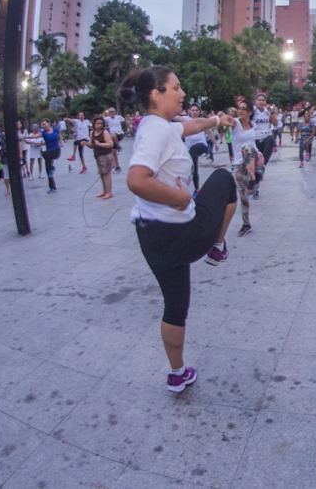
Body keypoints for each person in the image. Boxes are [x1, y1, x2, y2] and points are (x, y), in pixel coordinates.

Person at [120, 65, 238, 393]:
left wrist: (217, 120)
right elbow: (136, 179)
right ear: (157, 94)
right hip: (182, 233)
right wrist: (179, 197)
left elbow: (190, 126)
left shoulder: (159, 125)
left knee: (175, 307)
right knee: (225, 179)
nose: (183, 93)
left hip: (151, 237)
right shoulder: (157, 130)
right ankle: (216, 245)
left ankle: (178, 373)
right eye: (177, 88)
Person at [230, 100, 263, 237]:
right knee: (243, 197)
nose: (241, 111)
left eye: (244, 109)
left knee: (248, 148)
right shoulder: (235, 124)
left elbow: (253, 143)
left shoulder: (253, 125)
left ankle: (254, 179)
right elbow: (228, 121)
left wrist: (260, 157)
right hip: (239, 164)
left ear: (250, 111)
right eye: (239, 108)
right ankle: (246, 224)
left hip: (254, 160)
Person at [251, 94, 276, 199]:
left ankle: (263, 165)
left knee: (271, 140)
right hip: (255, 138)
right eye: (259, 100)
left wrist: (272, 112)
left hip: (266, 136)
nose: (261, 102)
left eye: (263, 100)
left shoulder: (267, 111)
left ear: (265, 102)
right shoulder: (252, 111)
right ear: (255, 101)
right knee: (255, 165)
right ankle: (255, 189)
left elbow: (275, 123)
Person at [29, 119, 64, 193]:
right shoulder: (43, 133)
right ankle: (52, 187)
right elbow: (35, 136)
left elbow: (59, 137)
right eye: (42, 125)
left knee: (44, 154)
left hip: (56, 150)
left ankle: (52, 168)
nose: (44, 126)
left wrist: (61, 143)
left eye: (45, 124)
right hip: (49, 153)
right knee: (48, 169)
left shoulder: (55, 130)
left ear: (49, 123)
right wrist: (24, 137)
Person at [182, 104, 210, 194]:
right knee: (193, 168)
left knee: (194, 150)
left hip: (201, 145)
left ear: (199, 111)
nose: (194, 112)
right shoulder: (186, 119)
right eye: (192, 110)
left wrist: (216, 143)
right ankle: (197, 188)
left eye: (196, 110)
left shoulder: (202, 120)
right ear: (189, 111)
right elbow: (174, 117)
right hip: (189, 148)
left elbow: (208, 131)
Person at [90, 116, 116, 199]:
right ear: (94, 124)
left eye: (101, 123)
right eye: (98, 123)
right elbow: (91, 144)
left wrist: (100, 144)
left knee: (106, 174)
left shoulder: (105, 132)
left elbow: (110, 144)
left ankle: (109, 192)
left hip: (106, 155)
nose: (100, 125)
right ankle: (105, 191)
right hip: (98, 156)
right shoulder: (92, 133)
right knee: (102, 174)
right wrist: (86, 144)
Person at [104, 108, 126, 173]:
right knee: (113, 152)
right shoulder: (107, 118)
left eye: (113, 112)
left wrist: (129, 128)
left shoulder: (119, 117)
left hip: (119, 134)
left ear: (115, 112)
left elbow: (125, 121)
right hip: (113, 137)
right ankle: (117, 166)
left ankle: (119, 146)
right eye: (110, 112)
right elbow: (101, 119)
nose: (111, 113)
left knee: (113, 135)